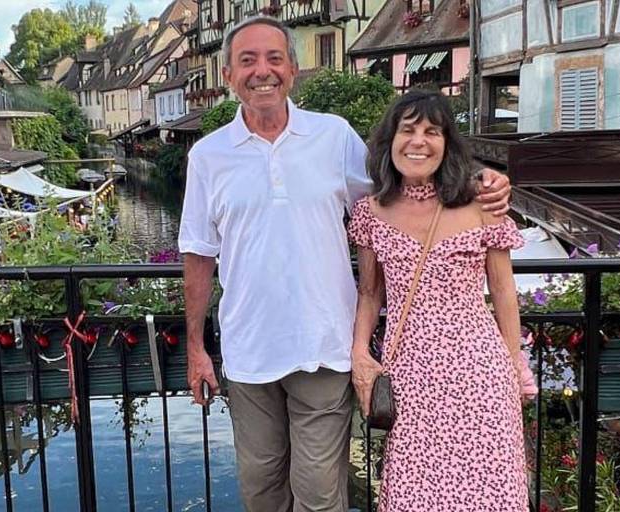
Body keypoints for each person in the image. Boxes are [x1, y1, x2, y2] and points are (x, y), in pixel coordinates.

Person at [178, 17, 512, 512]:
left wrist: (477, 175)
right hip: (249, 351)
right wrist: (195, 349)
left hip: (325, 346)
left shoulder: (332, 136)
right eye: (247, 60)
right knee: (261, 488)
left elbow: (398, 181)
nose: (262, 71)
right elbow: (198, 253)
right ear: (227, 74)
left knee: (319, 493)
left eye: (274, 58)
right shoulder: (208, 156)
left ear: (293, 68)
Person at [348, 90, 532, 511]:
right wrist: (360, 351)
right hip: (409, 378)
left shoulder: (482, 206)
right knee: (415, 493)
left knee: (488, 491)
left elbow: (503, 290)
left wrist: (512, 364)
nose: (419, 141)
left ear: (447, 144)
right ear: (389, 141)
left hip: (479, 374)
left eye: (433, 131)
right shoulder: (370, 212)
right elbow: (370, 292)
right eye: (408, 130)